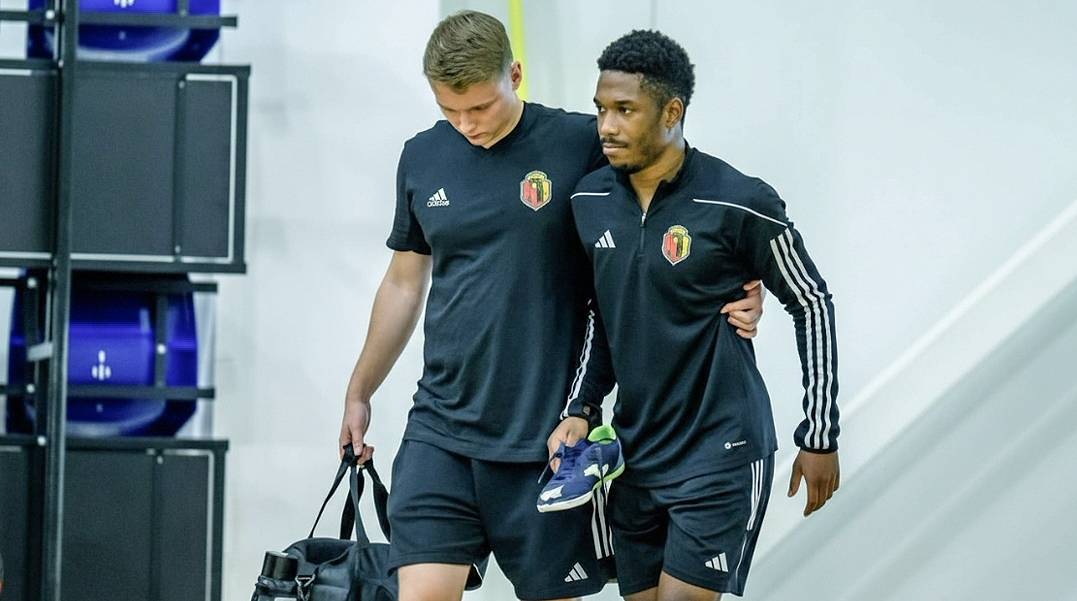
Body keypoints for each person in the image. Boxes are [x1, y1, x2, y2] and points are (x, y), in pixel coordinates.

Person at [337, 12, 764, 601]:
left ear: (514, 75)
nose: (466, 125)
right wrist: (360, 390)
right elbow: (404, 284)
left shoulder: (583, 144)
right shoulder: (421, 156)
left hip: (548, 439)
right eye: (449, 111)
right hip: (441, 427)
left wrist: (735, 283)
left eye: (480, 107)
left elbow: (676, 204)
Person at [565, 30, 841, 601]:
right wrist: (581, 409)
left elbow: (811, 302)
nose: (606, 126)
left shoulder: (740, 201)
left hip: (721, 450)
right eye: (600, 109)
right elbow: (602, 318)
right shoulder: (588, 201)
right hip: (634, 454)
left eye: (624, 110)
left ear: (672, 112)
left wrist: (819, 434)